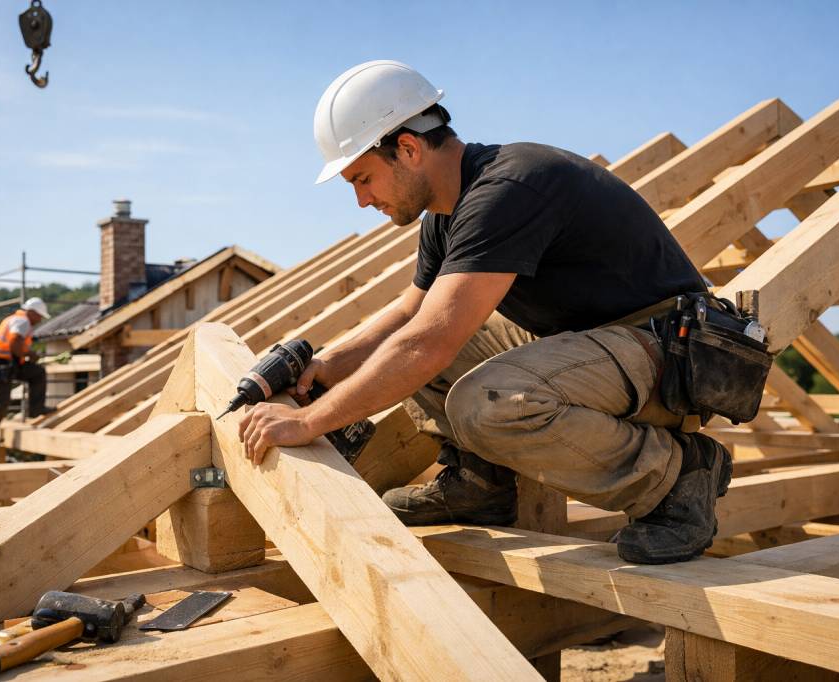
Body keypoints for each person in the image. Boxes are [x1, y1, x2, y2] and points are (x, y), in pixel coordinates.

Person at [238, 60, 732, 565]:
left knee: (483, 400)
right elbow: (412, 315)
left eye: (363, 179)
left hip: (670, 354)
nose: (363, 200)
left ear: (407, 148)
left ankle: (676, 478)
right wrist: (325, 365)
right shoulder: (446, 217)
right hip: (599, 348)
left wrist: (309, 422)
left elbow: (428, 342)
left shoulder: (509, 188)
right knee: (428, 346)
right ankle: (480, 484)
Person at [0, 297, 54, 446]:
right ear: (32, 312)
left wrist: (27, 355)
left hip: (9, 363)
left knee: (37, 373)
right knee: (0, 401)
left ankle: (36, 409)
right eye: (39, 316)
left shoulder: (16, 319)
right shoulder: (22, 321)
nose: (39, 320)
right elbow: (14, 343)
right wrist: (30, 355)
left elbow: (16, 346)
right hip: (1, 365)